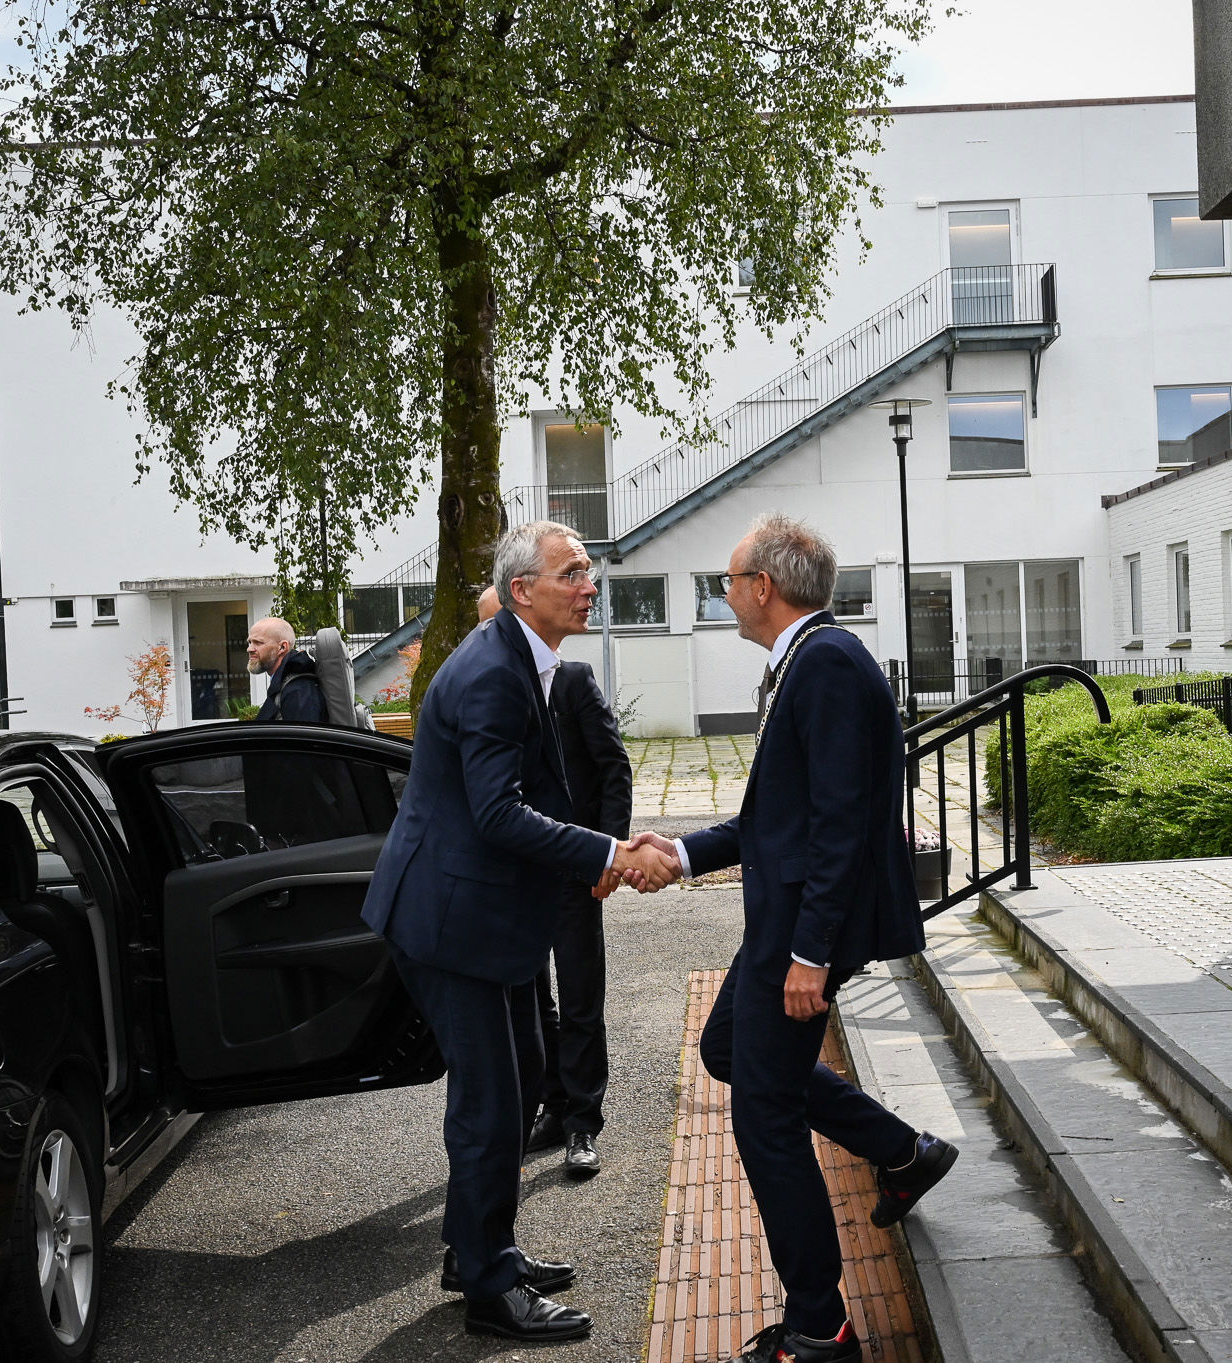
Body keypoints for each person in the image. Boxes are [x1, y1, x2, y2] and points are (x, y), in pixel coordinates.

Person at [628, 514, 956, 1363]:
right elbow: (775, 819)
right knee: (729, 1043)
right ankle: (902, 1150)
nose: (726, 593)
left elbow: (842, 826)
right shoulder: (806, 662)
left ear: (764, 588)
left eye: (730, 580)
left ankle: (821, 1325)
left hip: (803, 932)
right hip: (786, 923)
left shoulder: (830, 665)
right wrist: (683, 850)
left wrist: (810, 954)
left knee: (765, 1117)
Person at [359, 522, 678, 1344]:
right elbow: (500, 812)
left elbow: (534, 793)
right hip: (448, 916)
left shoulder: (523, 657)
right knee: (493, 1100)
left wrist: (601, 853)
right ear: (523, 589)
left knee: (527, 1069)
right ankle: (489, 1290)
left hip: (483, 910)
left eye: (589, 570)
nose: (590, 582)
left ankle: (478, 1247)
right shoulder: (495, 672)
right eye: (571, 571)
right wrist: (609, 852)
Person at [479, 586, 631, 1178]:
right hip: (519, 874)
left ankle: (582, 1124)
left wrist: (608, 855)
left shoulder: (572, 681)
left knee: (579, 996)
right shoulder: (489, 688)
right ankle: (553, 1105)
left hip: (574, 867)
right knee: (532, 999)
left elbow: (613, 767)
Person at [246, 616, 323, 721]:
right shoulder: (286, 685)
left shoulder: (298, 691)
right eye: (250, 642)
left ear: (282, 647)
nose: (249, 649)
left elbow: (303, 736)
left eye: (258, 643)